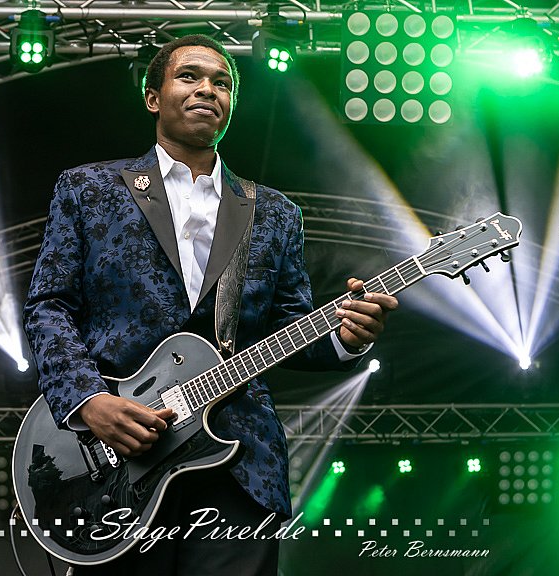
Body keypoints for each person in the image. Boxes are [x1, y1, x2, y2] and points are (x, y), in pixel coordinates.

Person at [23, 34, 399, 575]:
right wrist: (88, 401)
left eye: (222, 83)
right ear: (153, 98)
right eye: (189, 76)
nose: (207, 89)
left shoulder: (274, 212)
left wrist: (345, 338)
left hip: (239, 460)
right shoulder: (89, 189)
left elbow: (291, 328)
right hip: (118, 456)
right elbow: (48, 305)